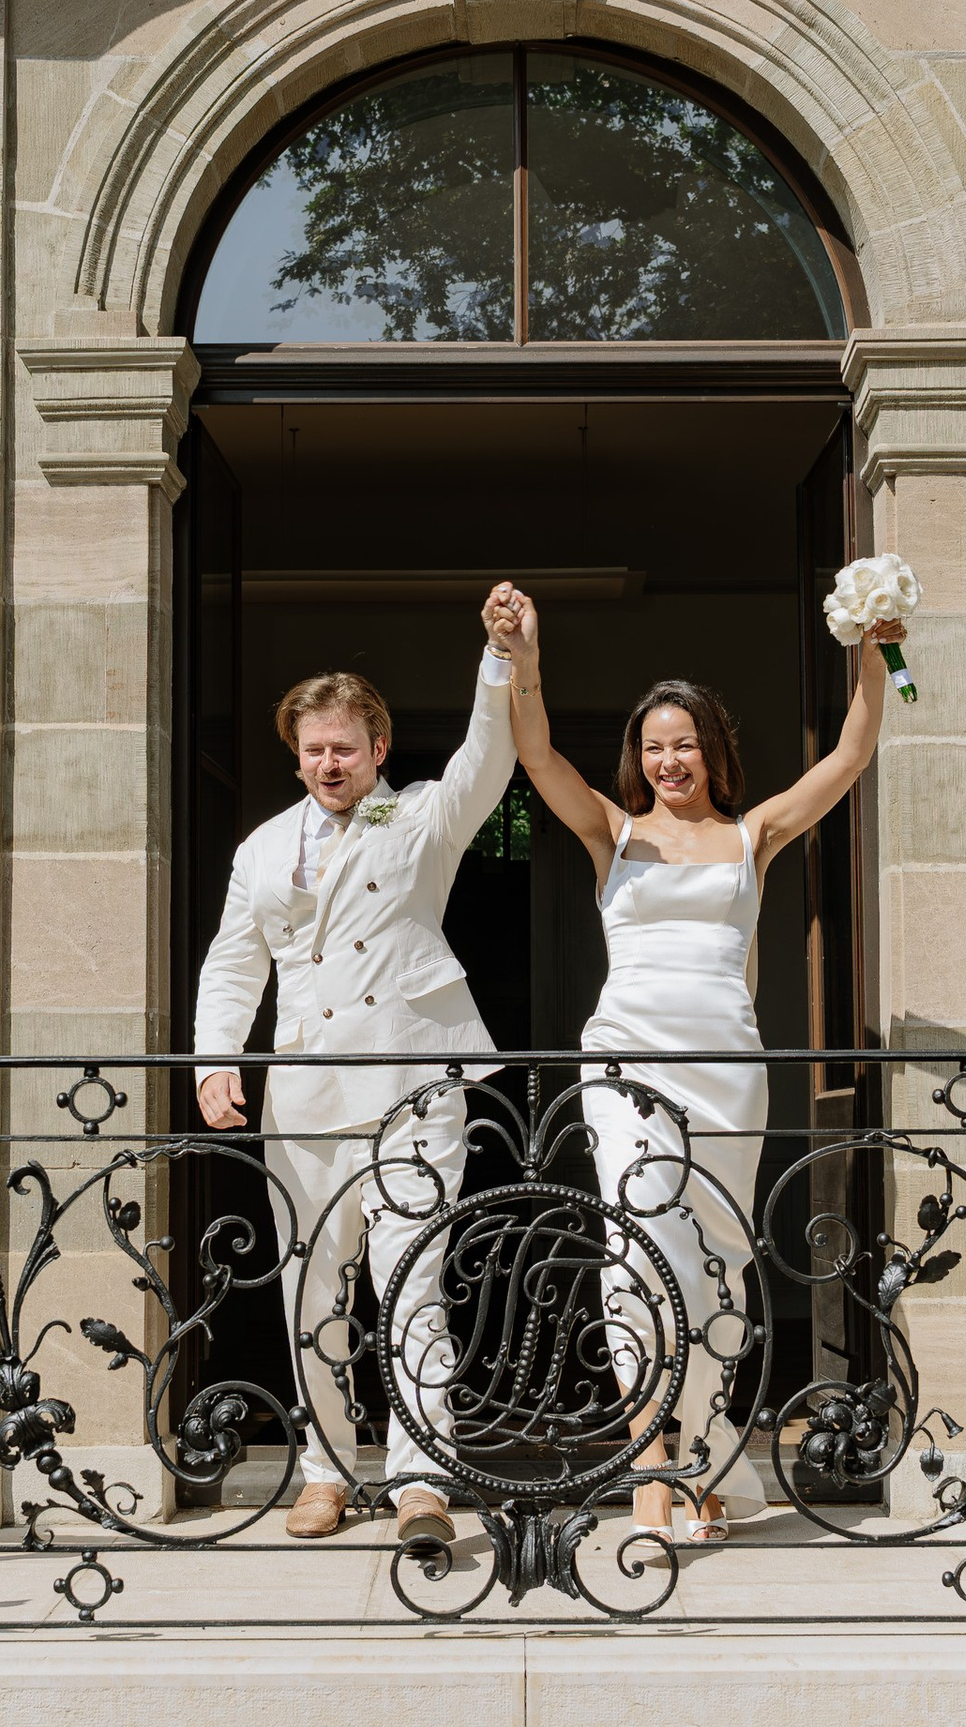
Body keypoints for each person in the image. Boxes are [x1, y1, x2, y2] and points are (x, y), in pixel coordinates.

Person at [485, 582, 892, 1544]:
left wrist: (878, 651)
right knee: (637, 1247)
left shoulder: (754, 834)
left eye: (684, 744)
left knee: (718, 1262)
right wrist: (524, 660)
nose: (668, 761)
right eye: (652, 746)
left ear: (712, 749)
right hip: (625, 1060)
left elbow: (850, 755)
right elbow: (535, 753)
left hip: (725, 1069)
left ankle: (705, 1451)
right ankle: (648, 1465)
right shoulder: (614, 831)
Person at [193, 612, 517, 1542]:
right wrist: (217, 1059)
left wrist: (499, 659)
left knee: (411, 1280)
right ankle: (326, 1469)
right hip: (305, 1087)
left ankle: (421, 1478)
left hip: (410, 1080)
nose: (328, 763)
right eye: (314, 749)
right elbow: (234, 963)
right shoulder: (262, 847)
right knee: (311, 1288)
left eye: (344, 747)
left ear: (378, 747)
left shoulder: (417, 816)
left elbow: (486, 757)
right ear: (296, 755)